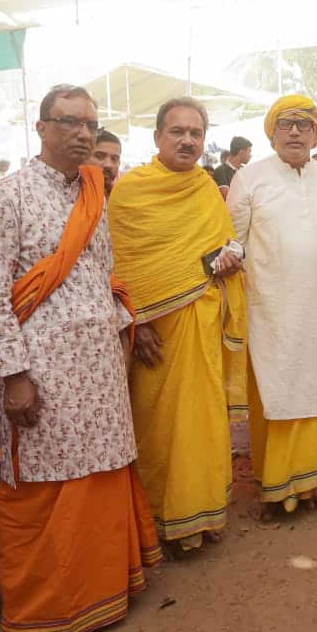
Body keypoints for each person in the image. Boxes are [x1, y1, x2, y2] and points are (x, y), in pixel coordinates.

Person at [0, 85, 159, 632]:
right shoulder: (7, 195)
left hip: (99, 366)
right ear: (41, 127)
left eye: (90, 125)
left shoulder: (93, 193)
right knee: (44, 481)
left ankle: (102, 595)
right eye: (70, 122)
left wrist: (124, 329)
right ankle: (46, 612)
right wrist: (13, 376)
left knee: (102, 472)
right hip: (41, 370)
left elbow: (102, 275)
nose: (82, 133)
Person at [112, 98, 248, 547]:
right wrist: (136, 324)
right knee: (159, 429)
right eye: (177, 131)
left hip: (202, 323)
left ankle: (203, 514)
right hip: (155, 336)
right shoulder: (130, 192)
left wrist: (231, 260)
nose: (187, 140)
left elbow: (225, 244)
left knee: (201, 423)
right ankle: (160, 523)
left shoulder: (206, 188)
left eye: (196, 133)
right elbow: (119, 267)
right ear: (157, 137)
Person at [229, 95, 317, 514]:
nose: (294, 132)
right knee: (276, 393)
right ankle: (278, 485)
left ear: (316, 134)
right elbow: (232, 243)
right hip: (270, 311)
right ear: (272, 133)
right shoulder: (249, 178)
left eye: (303, 124)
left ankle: (314, 482)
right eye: (285, 124)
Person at [89, 128, 123, 196]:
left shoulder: (123, 196)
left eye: (114, 159)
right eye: (99, 156)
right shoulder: (70, 197)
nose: (108, 165)